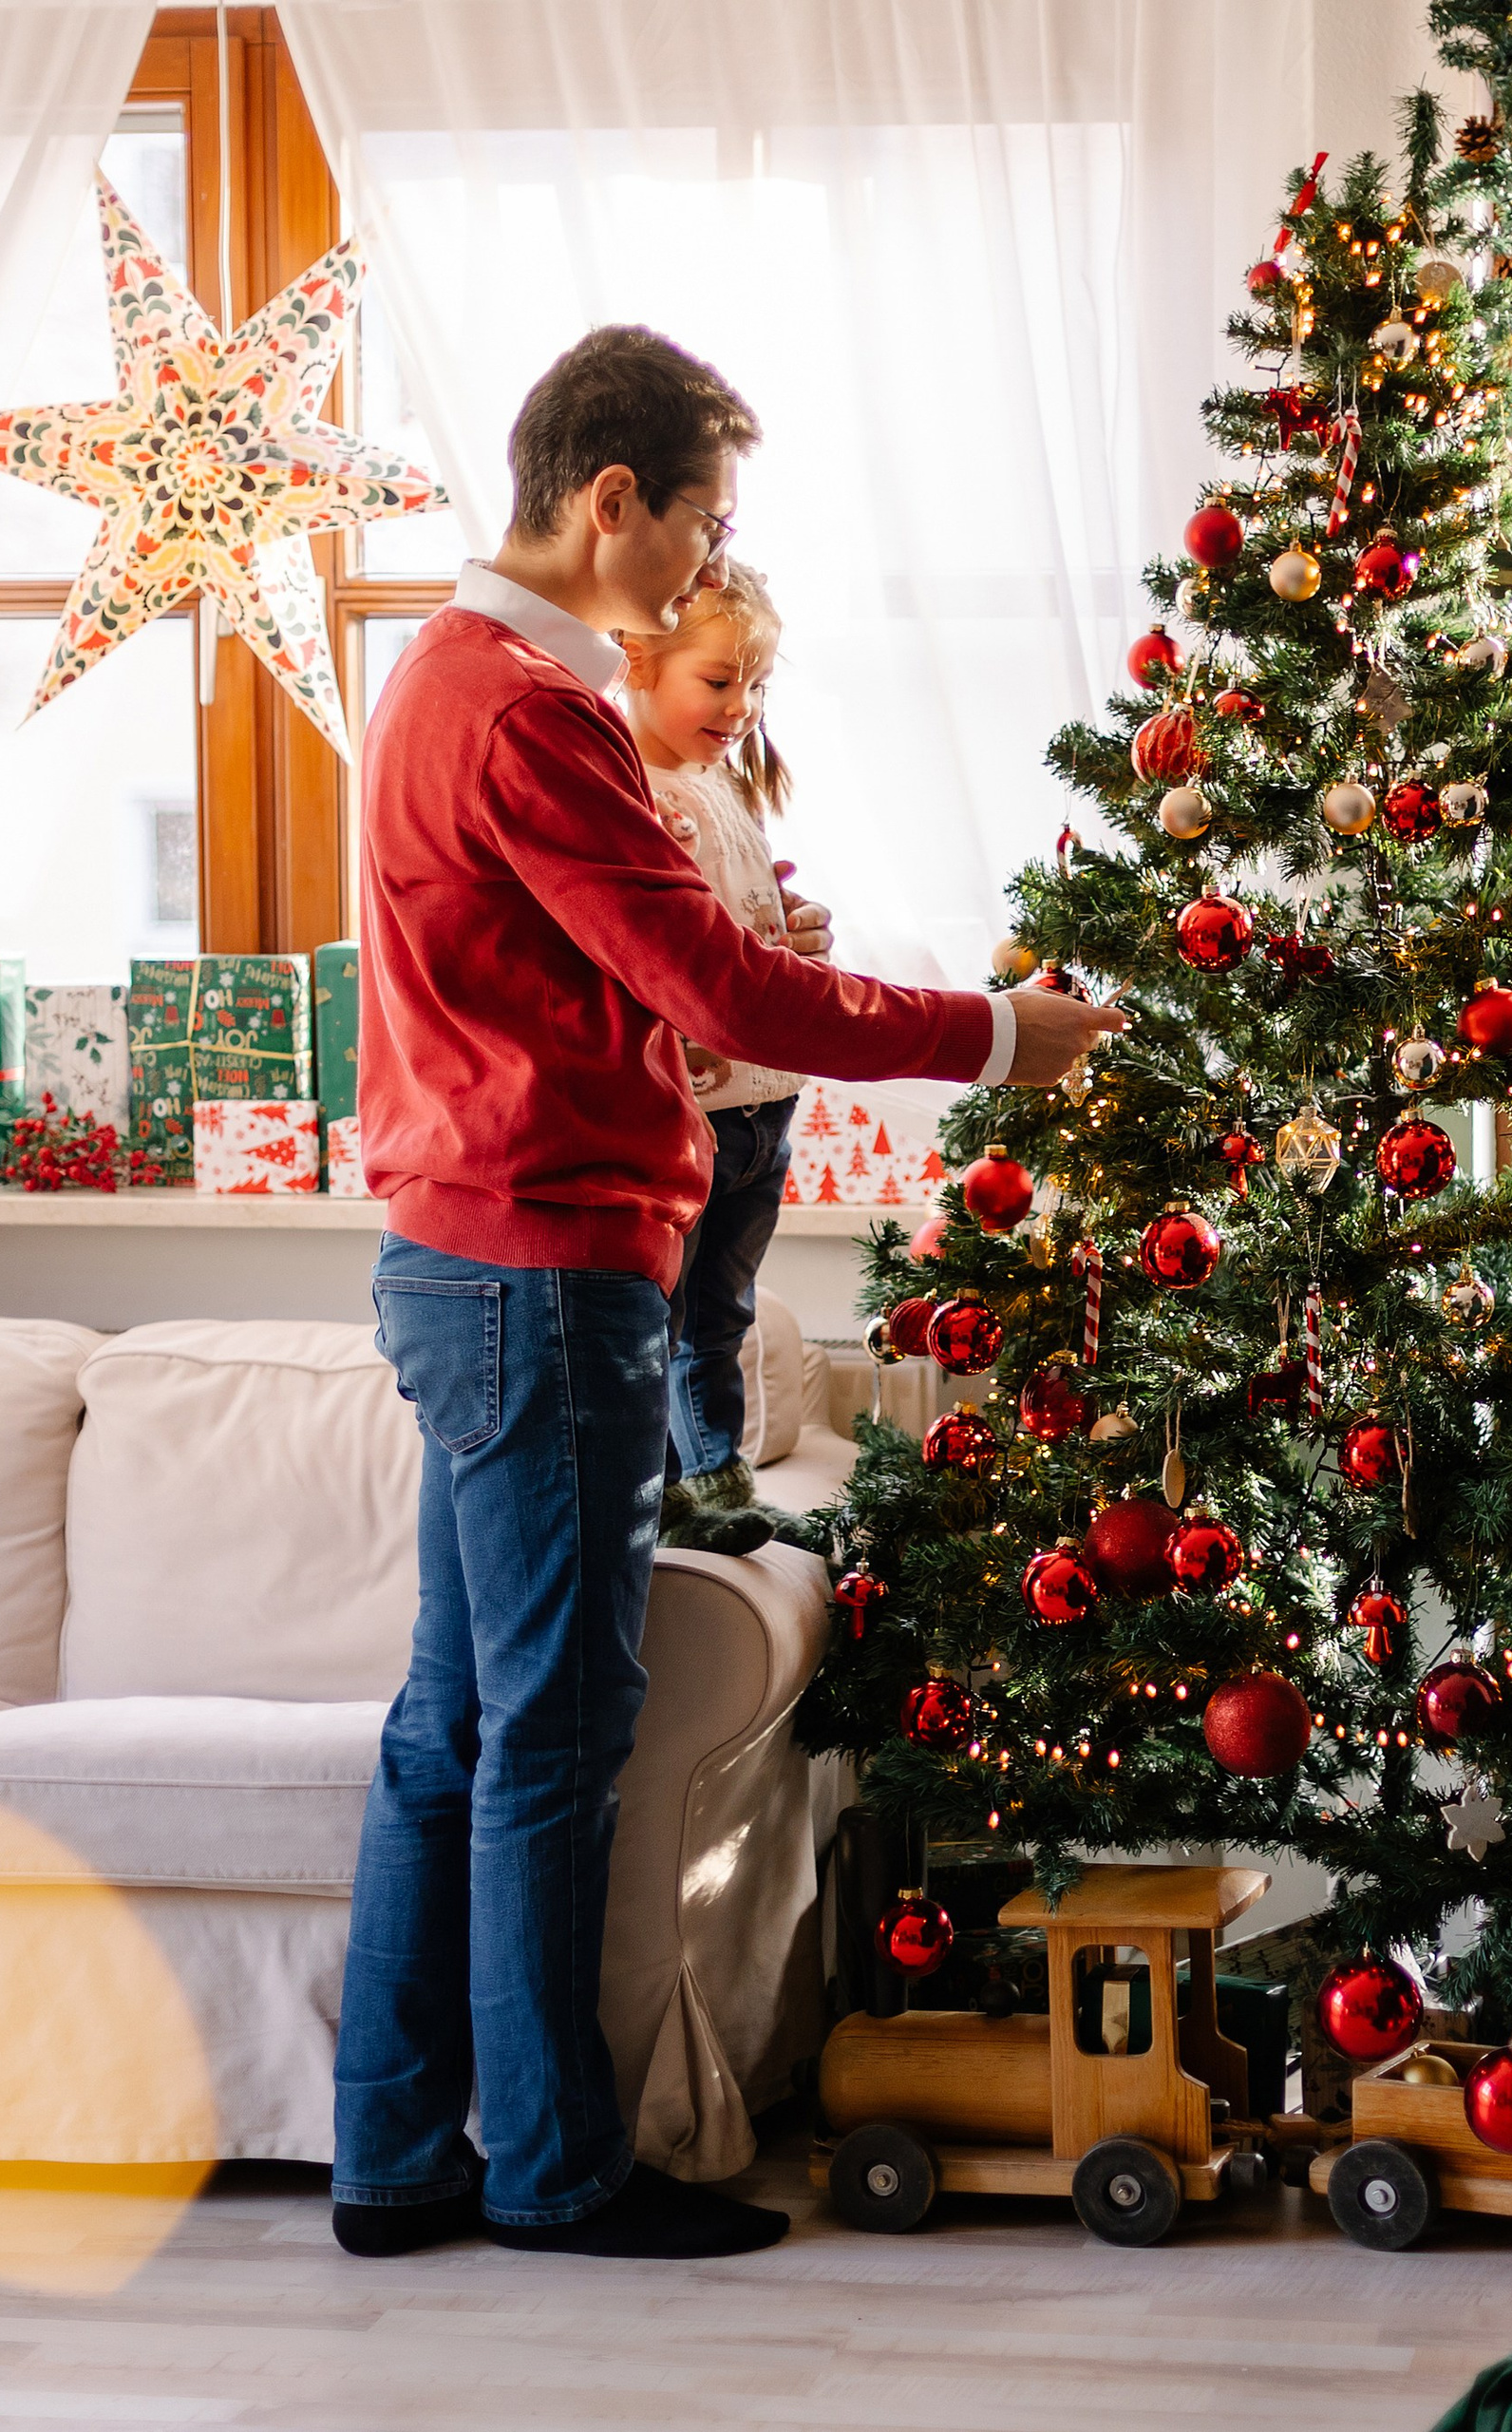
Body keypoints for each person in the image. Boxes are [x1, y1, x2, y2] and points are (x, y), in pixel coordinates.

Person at [338, 325, 1123, 2263]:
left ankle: (393, 2154)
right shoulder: (527, 706)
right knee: (547, 1734)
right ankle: (549, 2170)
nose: (704, 569)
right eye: (700, 528)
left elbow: (624, 981)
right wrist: (1004, 1036)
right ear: (610, 501)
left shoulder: (445, 680)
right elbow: (732, 998)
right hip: (540, 1269)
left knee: (455, 1728)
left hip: (468, 1258)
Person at [620, 562, 822, 1555]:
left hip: (763, 1106)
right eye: (718, 681)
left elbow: (746, 934)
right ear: (638, 659)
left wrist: (797, 933)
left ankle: (718, 1480)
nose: (742, 706)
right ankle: (659, 1493)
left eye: (756, 685)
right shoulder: (626, 785)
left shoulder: (720, 782)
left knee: (720, 1313)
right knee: (655, 1317)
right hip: (687, 1114)